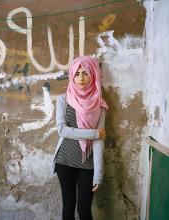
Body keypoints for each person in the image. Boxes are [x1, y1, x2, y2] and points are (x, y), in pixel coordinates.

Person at [53, 56, 108, 220]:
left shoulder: (99, 104)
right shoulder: (63, 99)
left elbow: (99, 142)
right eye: (77, 74)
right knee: (68, 208)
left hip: (88, 162)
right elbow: (62, 130)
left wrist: (98, 174)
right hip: (65, 161)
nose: (81, 78)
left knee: (84, 210)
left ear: (93, 74)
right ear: (72, 75)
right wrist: (94, 133)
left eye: (85, 73)